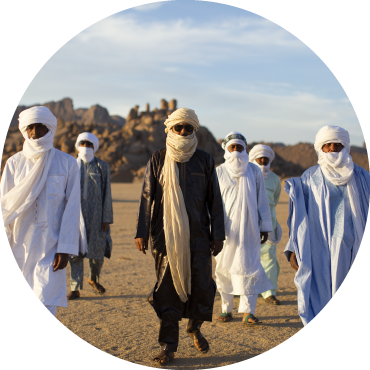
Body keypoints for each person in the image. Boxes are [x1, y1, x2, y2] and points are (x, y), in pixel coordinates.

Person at [135, 108, 225, 365]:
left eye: (188, 127)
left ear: (195, 130)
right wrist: (141, 232)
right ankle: (168, 346)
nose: (183, 131)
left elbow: (214, 200)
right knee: (167, 290)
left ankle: (194, 327)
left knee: (203, 286)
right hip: (165, 236)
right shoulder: (158, 158)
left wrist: (217, 234)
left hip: (198, 234)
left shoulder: (205, 160)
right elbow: (146, 198)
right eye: (179, 127)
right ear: (170, 129)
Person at [285, 125, 370, 326]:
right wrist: (293, 248)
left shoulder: (363, 177)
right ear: (319, 148)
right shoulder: (309, 178)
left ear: (345, 146)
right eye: (327, 145)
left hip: (354, 248)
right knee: (321, 299)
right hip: (319, 249)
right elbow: (299, 217)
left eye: (337, 145)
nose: (332, 149)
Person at [0, 106, 80, 317]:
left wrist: (65, 249)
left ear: (51, 129)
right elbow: (4, 208)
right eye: (30, 128)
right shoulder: (14, 163)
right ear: (24, 130)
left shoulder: (67, 163)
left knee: (46, 304)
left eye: (40, 127)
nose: (35, 133)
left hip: (50, 248)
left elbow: (72, 209)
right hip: (18, 246)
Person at [215, 132, 273, 325]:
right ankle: (226, 309)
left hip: (249, 230)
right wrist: (212, 229)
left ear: (245, 149)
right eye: (233, 147)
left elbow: (262, 201)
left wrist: (265, 226)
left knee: (249, 266)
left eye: (240, 147)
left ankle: (248, 312)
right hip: (225, 230)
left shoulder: (254, 171)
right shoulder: (219, 172)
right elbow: (212, 204)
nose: (236, 151)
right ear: (226, 149)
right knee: (225, 268)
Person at [67, 133, 113, 299]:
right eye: (82, 143)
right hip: (75, 216)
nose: (85, 146)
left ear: (95, 146)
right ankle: (75, 288)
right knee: (75, 253)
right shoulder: (71, 165)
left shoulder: (102, 166)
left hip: (97, 217)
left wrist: (106, 217)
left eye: (89, 144)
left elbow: (107, 193)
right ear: (78, 145)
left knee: (97, 252)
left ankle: (93, 279)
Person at [249, 144, 282, 305]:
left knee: (268, 257)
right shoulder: (246, 175)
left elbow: (274, 200)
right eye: (259, 159)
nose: (262, 161)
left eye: (265, 159)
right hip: (247, 223)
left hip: (269, 224)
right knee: (244, 257)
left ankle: (269, 292)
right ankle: (241, 289)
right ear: (252, 159)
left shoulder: (275, 179)